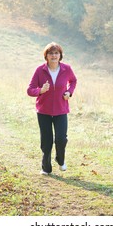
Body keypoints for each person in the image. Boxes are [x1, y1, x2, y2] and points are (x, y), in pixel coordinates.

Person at [27, 42, 77, 175]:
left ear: (60, 55)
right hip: (44, 111)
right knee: (46, 141)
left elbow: (73, 81)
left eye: (56, 53)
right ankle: (46, 168)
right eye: (51, 53)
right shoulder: (40, 70)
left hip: (61, 110)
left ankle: (60, 160)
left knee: (61, 139)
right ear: (46, 56)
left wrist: (69, 92)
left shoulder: (66, 69)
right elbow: (30, 90)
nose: (54, 56)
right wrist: (40, 90)